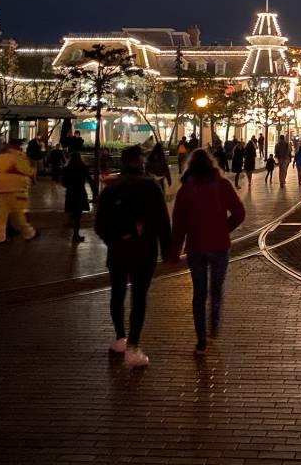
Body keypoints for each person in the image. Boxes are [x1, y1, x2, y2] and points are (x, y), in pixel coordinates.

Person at [95, 145, 172, 368]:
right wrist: (167, 250)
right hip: (144, 250)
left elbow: (100, 225)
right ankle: (133, 346)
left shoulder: (111, 188)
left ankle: (120, 337)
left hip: (118, 250)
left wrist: (116, 238)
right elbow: (162, 221)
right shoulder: (151, 185)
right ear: (141, 161)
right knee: (139, 298)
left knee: (117, 293)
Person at [170, 149, 246, 356]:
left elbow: (178, 225)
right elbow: (240, 213)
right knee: (216, 289)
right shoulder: (222, 185)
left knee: (199, 294)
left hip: (196, 247)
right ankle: (214, 324)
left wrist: (174, 252)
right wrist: (224, 227)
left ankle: (201, 341)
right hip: (219, 245)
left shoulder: (186, 189)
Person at [0, 139, 39, 243]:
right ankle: (29, 233)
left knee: (1, 215)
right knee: (21, 214)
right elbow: (27, 170)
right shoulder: (18, 157)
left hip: (1, 189)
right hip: (17, 188)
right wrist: (34, 169)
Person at [63, 151, 91, 243]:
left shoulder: (67, 168)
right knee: (78, 215)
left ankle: (72, 228)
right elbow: (90, 180)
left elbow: (64, 182)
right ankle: (76, 234)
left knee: (72, 211)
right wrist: (95, 192)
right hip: (80, 192)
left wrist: (69, 186)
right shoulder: (83, 167)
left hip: (70, 192)